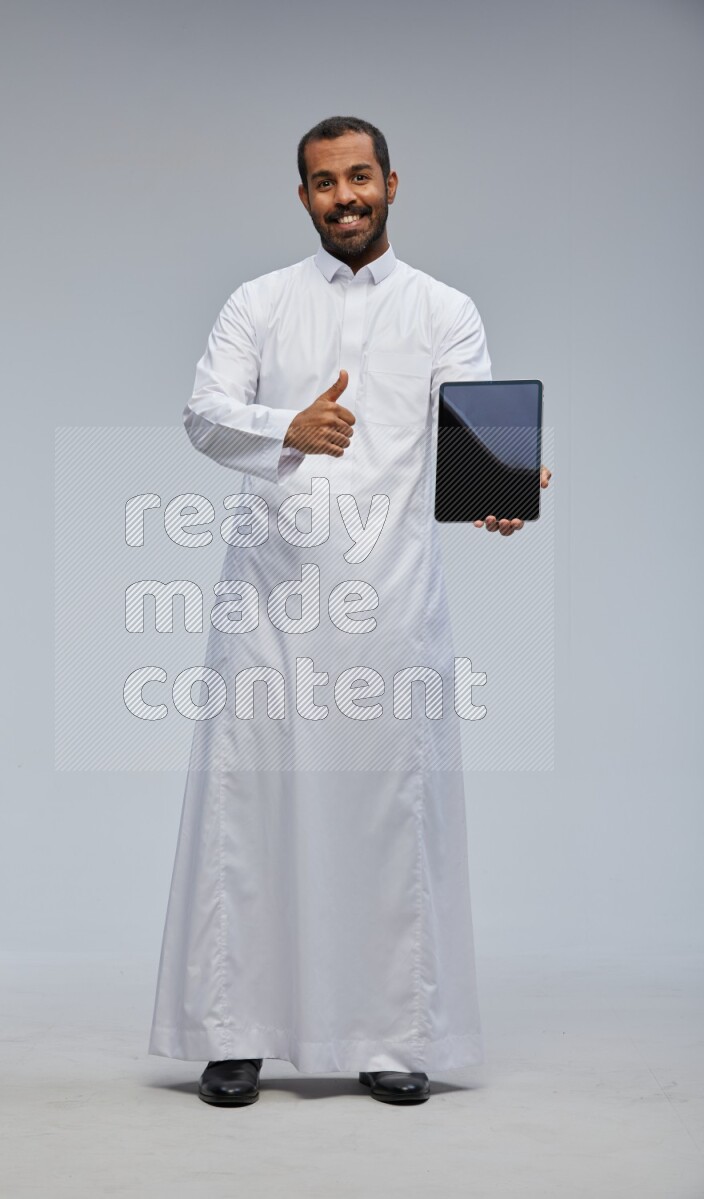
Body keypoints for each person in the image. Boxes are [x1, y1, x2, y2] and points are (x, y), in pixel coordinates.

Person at [148, 115, 552, 1107]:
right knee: (253, 811)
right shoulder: (259, 302)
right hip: (272, 600)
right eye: (324, 182)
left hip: (390, 603)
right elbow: (203, 413)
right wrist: (287, 424)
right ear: (303, 197)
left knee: (386, 814)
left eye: (360, 177)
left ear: (391, 184)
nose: (345, 197)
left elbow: (470, 435)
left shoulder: (444, 310)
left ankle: (388, 1034)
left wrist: (501, 486)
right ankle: (235, 1032)